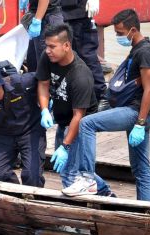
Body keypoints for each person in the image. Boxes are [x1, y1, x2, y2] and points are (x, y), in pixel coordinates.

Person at [64, 9, 150, 200]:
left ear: (133, 30)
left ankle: (88, 178)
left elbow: (149, 90)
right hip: (134, 110)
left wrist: (140, 124)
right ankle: (146, 214)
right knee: (141, 169)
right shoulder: (136, 48)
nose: (118, 36)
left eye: (120, 33)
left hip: (136, 112)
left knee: (87, 123)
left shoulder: (145, 52)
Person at [36, 24, 108, 194]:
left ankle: (76, 217)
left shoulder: (80, 75)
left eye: (52, 46)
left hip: (80, 125)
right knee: (68, 169)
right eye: (46, 45)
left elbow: (79, 115)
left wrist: (65, 146)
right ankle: (105, 192)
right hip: (62, 120)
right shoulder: (48, 58)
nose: (47, 50)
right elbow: (43, 83)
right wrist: (44, 109)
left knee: (70, 173)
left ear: (66, 45)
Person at [61, 0, 105, 101]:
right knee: (63, 57)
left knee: (87, 55)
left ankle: (100, 95)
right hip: (59, 12)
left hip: (79, 13)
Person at [21, 0, 64, 73]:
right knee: (34, 64)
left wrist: (37, 21)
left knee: (44, 68)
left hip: (46, 17)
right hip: (41, 15)